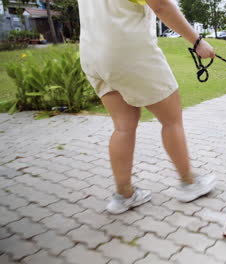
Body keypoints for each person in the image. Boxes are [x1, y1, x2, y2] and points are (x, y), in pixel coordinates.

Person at [77, 0, 216, 214]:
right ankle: (189, 183)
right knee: (171, 120)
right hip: (128, 51)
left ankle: (124, 196)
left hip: (93, 54)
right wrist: (197, 42)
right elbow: (161, 5)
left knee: (123, 126)